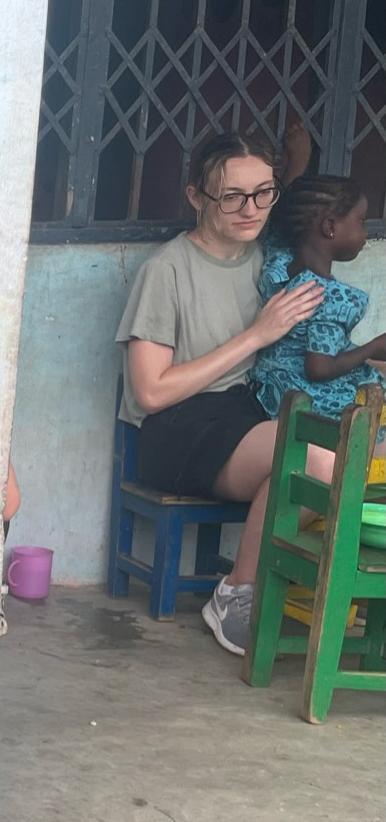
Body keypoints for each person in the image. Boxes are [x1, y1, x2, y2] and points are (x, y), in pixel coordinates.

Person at [116, 130, 327, 655]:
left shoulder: (268, 257)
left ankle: (293, 585)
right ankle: (237, 592)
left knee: (346, 447)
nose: (249, 208)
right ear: (196, 197)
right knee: (313, 460)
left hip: (244, 414)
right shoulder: (165, 271)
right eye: (231, 196)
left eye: (263, 193)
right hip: (177, 428)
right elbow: (149, 392)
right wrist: (256, 335)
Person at [247, 175, 385, 422]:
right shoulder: (333, 299)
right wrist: (373, 347)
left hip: (269, 391)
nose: (364, 232)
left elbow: (280, 226)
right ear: (330, 227)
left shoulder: (278, 267)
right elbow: (319, 368)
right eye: (360, 221)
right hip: (307, 404)